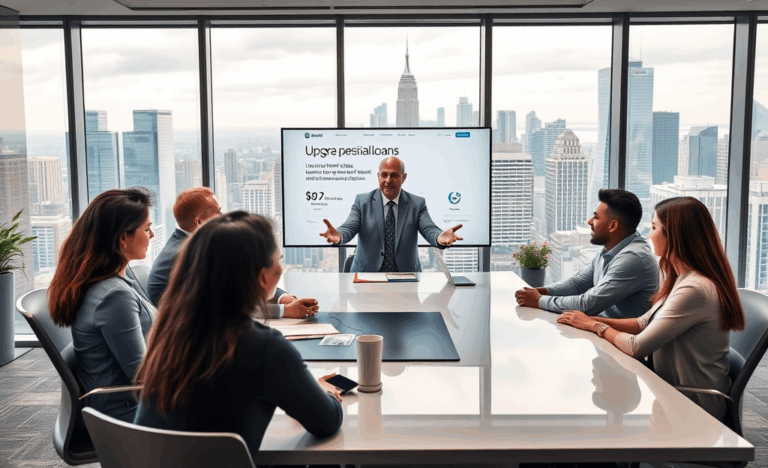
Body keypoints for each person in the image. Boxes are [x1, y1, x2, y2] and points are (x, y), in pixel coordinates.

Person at [134, 212, 343, 456]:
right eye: (279, 259)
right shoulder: (264, 347)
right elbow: (326, 422)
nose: (281, 267)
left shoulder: (169, 334)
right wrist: (324, 393)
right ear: (262, 276)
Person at [557, 196, 745, 420]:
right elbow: (643, 323)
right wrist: (586, 322)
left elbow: (637, 346)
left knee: (591, 414)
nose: (649, 235)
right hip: (668, 391)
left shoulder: (695, 289)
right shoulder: (683, 278)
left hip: (692, 407)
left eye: (654, 227)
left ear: (675, 235)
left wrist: (596, 326)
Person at [48, 188, 156, 422]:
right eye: (146, 228)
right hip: (127, 414)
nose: (152, 235)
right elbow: (143, 378)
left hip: (125, 405)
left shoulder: (110, 281)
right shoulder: (114, 296)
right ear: (122, 238)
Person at [148, 187, 318, 319]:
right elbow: (225, 309)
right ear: (200, 222)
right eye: (218, 212)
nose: (223, 216)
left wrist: (283, 298)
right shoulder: (187, 255)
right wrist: (284, 311)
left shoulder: (193, 246)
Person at [515, 189, 658, 319]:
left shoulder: (633, 258)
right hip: (602, 333)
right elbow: (577, 284)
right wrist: (543, 291)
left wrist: (539, 300)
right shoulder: (610, 248)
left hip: (620, 342)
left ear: (612, 226)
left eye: (596, 217)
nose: (589, 221)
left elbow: (587, 305)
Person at [320, 156, 463, 272]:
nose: (388, 180)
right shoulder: (362, 201)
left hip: (406, 277)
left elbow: (429, 229)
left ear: (403, 177)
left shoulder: (417, 204)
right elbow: (349, 227)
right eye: (384, 175)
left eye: (394, 175)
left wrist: (439, 237)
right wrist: (339, 236)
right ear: (378, 176)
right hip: (367, 276)